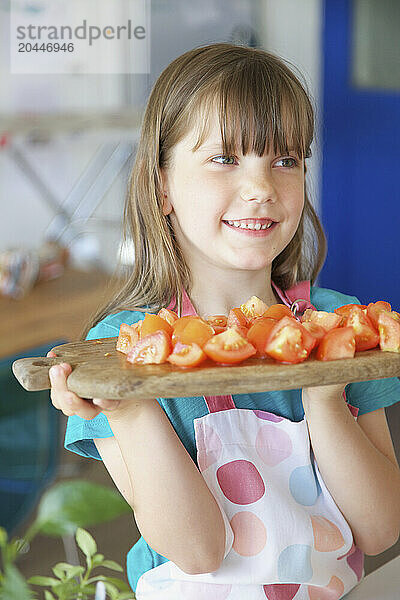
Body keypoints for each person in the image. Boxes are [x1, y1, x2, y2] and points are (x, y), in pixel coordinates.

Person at [47, 43, 400, 599]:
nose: (262, 189)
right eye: (223, 158)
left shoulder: (344, 328)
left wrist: (326, 399)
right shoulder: (120, 350)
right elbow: (196, 551)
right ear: (161, 185)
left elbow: (380, 530)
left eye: (285, 160)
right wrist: (130, 408)